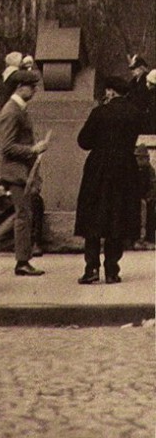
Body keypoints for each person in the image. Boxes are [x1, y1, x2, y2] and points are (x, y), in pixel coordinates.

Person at [74, 76, 143, 284]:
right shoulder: (135, 114)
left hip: (99, 167)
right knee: (118, 216)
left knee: (93, 215)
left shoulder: (99, 113)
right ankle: (112, 270)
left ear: (111, 92)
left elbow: (83, 141)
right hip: (125, 168)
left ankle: (91, 268)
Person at [0, 68, 50, 276]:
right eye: (31, 86)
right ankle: (20, 261)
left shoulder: (18, 109)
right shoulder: (12, 111)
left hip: (19, 171)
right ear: (20, 87)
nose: (35, 90)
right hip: (15, 172)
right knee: (23, 216)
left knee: (22, 215)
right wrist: (33, 149)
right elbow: (7, 147)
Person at [134, 144, 155, 249]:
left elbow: (153, 185)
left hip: (147, 198)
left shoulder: (150, 171)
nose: (140, 161)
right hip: (135, 198)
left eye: (143, 158)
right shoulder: (133, 170)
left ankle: (149, 239)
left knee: (151, 214)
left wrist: (148, 198)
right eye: (138, 158)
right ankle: (134, 238)